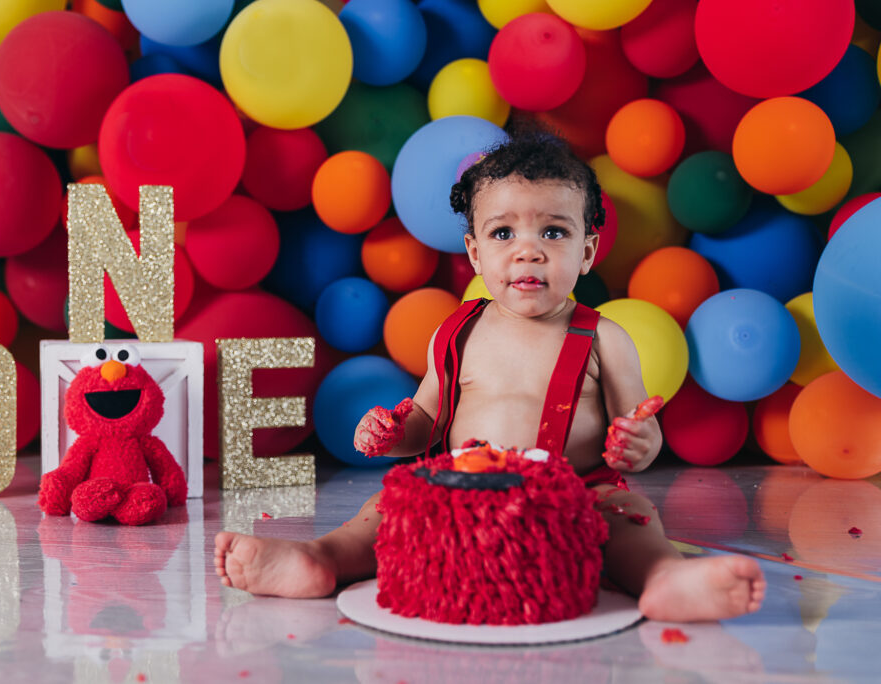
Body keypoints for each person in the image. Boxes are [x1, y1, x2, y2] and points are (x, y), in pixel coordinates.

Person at [215, 134, 766, 622]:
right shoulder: (455, 333)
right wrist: (392, 433)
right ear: (476, 254)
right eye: (503, 233)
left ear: (587, 252)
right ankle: (321, 559)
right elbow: (427, 422)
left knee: (631, 519)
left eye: (554, 231)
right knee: (381, 511)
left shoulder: (606, 338)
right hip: (460, 490)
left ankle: (663, 578)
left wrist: (638, 443)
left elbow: (637, 435)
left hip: (574, 494)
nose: (528, 249)